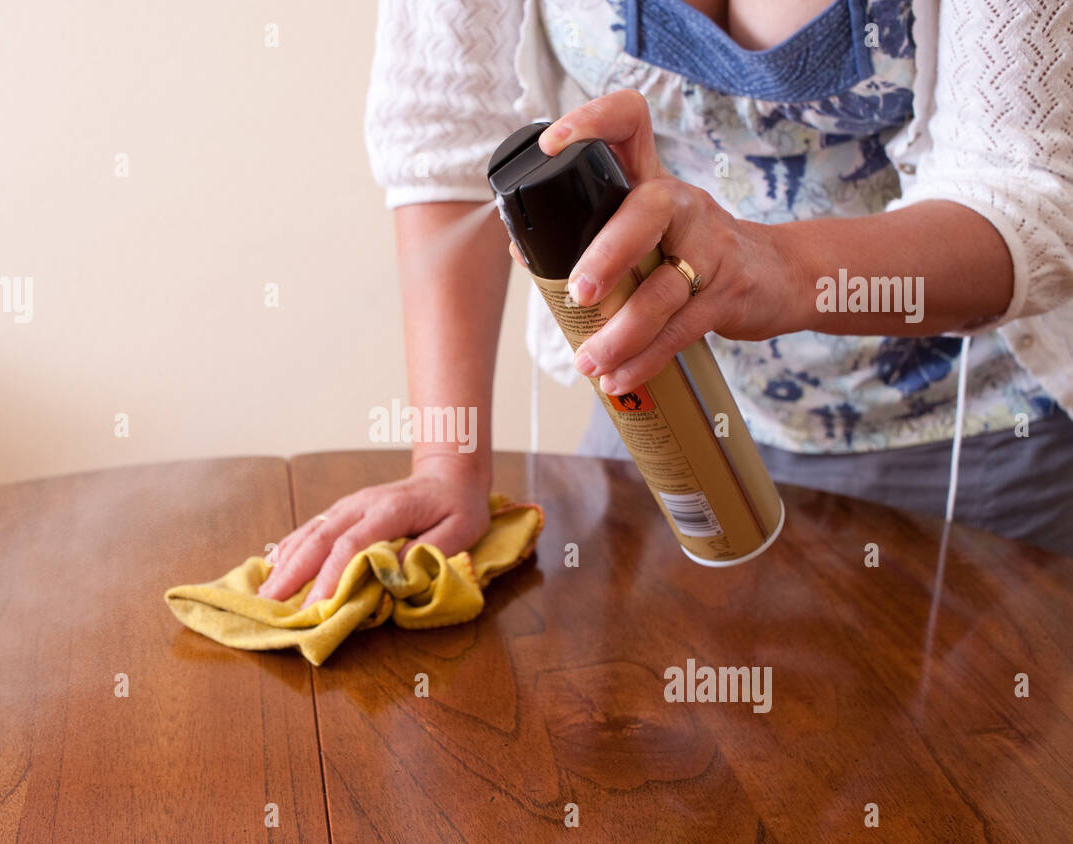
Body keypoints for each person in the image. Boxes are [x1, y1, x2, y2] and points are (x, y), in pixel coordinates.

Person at [260, 0, 1073, 605]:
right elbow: (445, 139)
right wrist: (447, 463)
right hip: (659, 426)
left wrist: (774, 268)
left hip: (976, 448)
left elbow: (1025, 190)